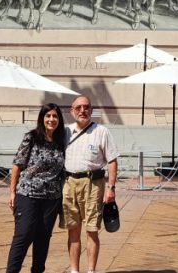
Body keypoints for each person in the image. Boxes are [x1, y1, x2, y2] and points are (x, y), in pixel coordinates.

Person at [6, 103, 67, 273]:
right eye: (48, 116)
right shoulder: (31, 137)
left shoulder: (61, 141)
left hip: (52, 199)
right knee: (23, 236)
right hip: (28, 194)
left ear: (59, 120)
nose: (51, 119)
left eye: (55, 116)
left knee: (43, 240)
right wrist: (12, 193)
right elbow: (17, 165)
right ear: (42, 118)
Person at [63, 95, 118, 273]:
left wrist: (111, 188)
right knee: (72, 229)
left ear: (91, 110)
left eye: (86, 107)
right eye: (78, 108)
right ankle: (74, 270)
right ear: (72, 111)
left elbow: (112, 161)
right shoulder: (65, 132)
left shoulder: (101, 131)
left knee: (92, 229)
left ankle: (91, 270)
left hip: (94, 185)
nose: (82, 111)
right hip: (69, 184)